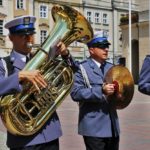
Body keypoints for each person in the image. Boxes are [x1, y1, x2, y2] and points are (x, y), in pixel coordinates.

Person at [0, 15, 71, 150]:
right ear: (11, 38)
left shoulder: (44, 58)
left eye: (31, 34)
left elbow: (71, 73)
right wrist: (19, 76)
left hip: (50, 132)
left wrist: (65, 54)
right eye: (22, 35)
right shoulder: (4, 64)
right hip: (24, 139)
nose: (29, 39)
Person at [70, 31, 120, 150]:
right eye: (102, 47)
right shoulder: (81, 68)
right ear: (91, 50)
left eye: (107, 46)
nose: (106, 49)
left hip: (112, 126)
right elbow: (75, 93)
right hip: (94, 127)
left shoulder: (111, 67)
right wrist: (100, 91)